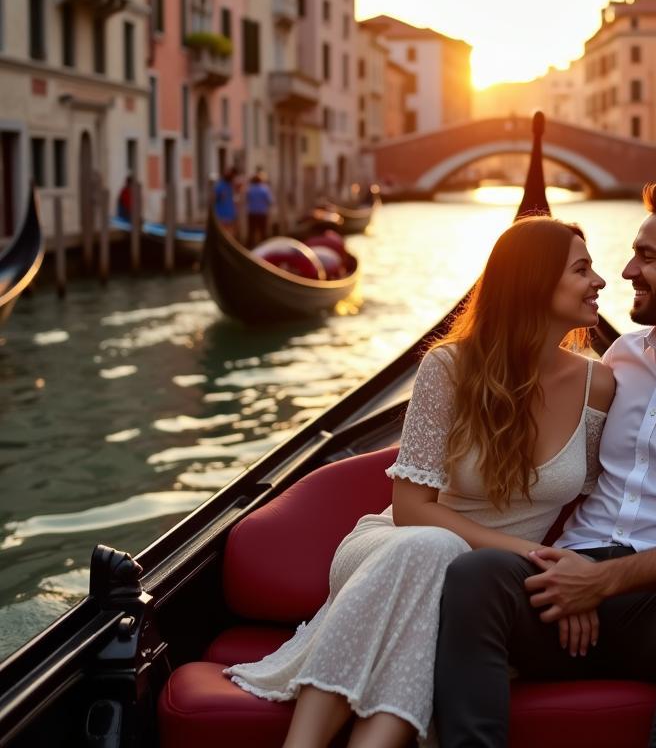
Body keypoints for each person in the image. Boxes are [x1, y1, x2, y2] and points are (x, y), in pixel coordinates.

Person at [434, 181, 656, 748]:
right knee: (475, 576)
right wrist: (577, 576)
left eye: (648, 257)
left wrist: (604, 581)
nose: (627, 271)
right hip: (569, 584)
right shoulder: (619, 360)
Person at [225, 216, 615, 748]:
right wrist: (528, 555)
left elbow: (602, 503)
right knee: (432, 546)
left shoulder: (600, 384)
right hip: (391, 548)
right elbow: (411, 509)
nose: (600, 281)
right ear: (533, 281)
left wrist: (587, 577)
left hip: (484, 585)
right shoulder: (448, 368)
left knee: (435, 591)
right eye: (582, 269)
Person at [246, 170, 272, 246]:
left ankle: (250, 246)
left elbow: (248, 199)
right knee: (263, 232)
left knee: (251, 232)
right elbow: (269, 201)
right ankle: (264, 246)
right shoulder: (265, 189)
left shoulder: (250, 189)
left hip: (252, 213)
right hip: (262, 213)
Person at [213, 168, 237, 233]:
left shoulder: (230, 186)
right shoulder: (220, 186)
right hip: (222, 214)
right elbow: (214, 198)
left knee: (229, 231)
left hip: (229, 214)